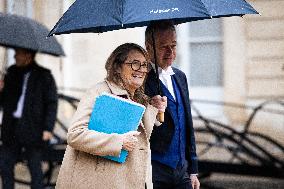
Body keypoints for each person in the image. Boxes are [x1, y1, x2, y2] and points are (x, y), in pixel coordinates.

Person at [55, 43, 167, 189]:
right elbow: (75, 135)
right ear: (118, 67)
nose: (141, 69)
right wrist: (118, 142)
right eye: (135, 63)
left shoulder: (140, 98)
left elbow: (140, 137)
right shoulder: (99, 92)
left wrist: (155, 109)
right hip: (101, 181)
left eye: (145, 65)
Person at [145, 20, 200, 189]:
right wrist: (150, 106)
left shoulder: (180, 76)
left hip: (182, 169)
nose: (170, 52)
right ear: (149, 47)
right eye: (163, 46)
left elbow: (187, 124)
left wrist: (193, 170)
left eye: (173, 45)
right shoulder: (141, 80)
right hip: (155, 170)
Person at [0, 48, 58, 189]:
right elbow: (3, 102)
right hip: (11, 128)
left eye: (18, 53)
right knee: (5, 165)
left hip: (34, 129)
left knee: (35, 168)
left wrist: (48, 128)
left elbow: (51, 103)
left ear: (28, 56)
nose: (15, 56)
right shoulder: (11, 73)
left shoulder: (44, 76)